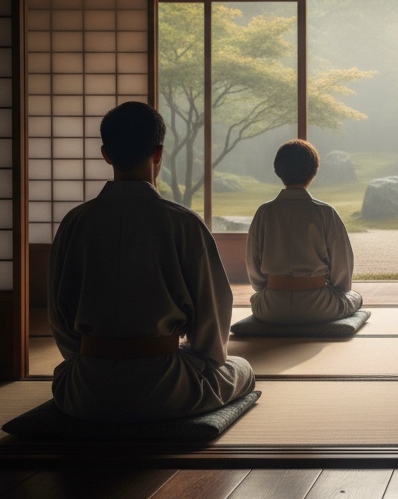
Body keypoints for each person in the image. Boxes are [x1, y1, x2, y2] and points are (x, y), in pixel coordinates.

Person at [49, 101, 255, 422]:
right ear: (158, 154)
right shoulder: (183, 222)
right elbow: (213, 309)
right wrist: (202, 359)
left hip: (86, 391)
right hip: (166, 389)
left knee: (64, 374)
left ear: (106, 154)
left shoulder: (75, 223)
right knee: (241, 368)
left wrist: (86, 360)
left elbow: (58, 314)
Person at [245, 139, 363, 324]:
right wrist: (336, 291)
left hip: (271, 308)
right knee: (355, 297)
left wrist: (267, 288)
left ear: (278, 170)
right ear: (313, 171)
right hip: (320, 307)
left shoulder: (264, 213)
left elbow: (254, 268)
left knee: (256, 300)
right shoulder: (326, 213)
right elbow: (342, 273)